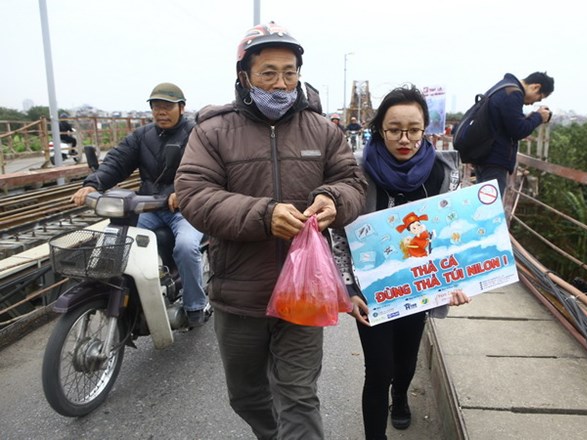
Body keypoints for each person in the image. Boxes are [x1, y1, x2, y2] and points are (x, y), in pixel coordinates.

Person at [174, 22, 367, 440]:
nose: (280, 84)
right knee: (246, 395)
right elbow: (193, 193)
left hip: (306, 292)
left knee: (298, 395)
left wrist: (335, 199)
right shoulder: (212, 131)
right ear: (244, 76)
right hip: (241, 291)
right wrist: (263, 215)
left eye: (289, 72)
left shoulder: (323, 130)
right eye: (268, 73)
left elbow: (354, 183)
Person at [330, 85, 471, 440]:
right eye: (394, 129)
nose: (404, 138)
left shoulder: (441, 174)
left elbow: (452, 233)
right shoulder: (357, 174)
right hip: (371, 292)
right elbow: (340, 235)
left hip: (419, 288)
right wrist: (348, 288)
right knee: (378, 369)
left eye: (413, 129)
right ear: (379, 128)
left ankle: (402, 395)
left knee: (405, 362)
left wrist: (457, 279)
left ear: (427, 129)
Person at [70, 82, 208, 327]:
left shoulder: (196, 134)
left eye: (167, 106)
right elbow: (117, 161)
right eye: (156, 106)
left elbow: (204, 168)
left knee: (186, 247)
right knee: (117, 238)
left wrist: (183, 191)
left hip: (185, 208)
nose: (161, 111)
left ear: (182, 108)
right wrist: (93, 184)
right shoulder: (142, 136)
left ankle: (195, 305)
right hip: (149, 207)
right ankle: (126, 292)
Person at [472, 71, 554, 196]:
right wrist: (538, 117)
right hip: (494, 162)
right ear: (535, 87)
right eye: (539, 97)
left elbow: (509, 123)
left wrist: (531, 117)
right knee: (490, 208)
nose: (533, 103)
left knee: (483, 204)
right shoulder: (513, 93)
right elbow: (518, 130)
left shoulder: (504, 87)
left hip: (484, 156)